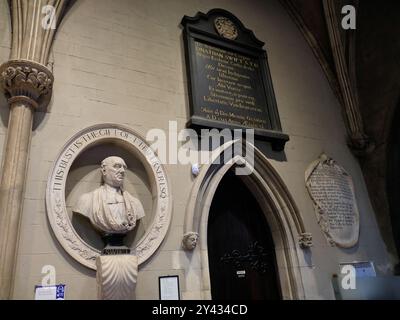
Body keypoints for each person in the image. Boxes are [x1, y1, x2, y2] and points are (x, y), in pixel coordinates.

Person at [73, 156, 145, 235]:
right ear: (104, 170)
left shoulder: (135, 204)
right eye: (117, 166)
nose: (122, 171)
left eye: (124, 167)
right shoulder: (87, 200)